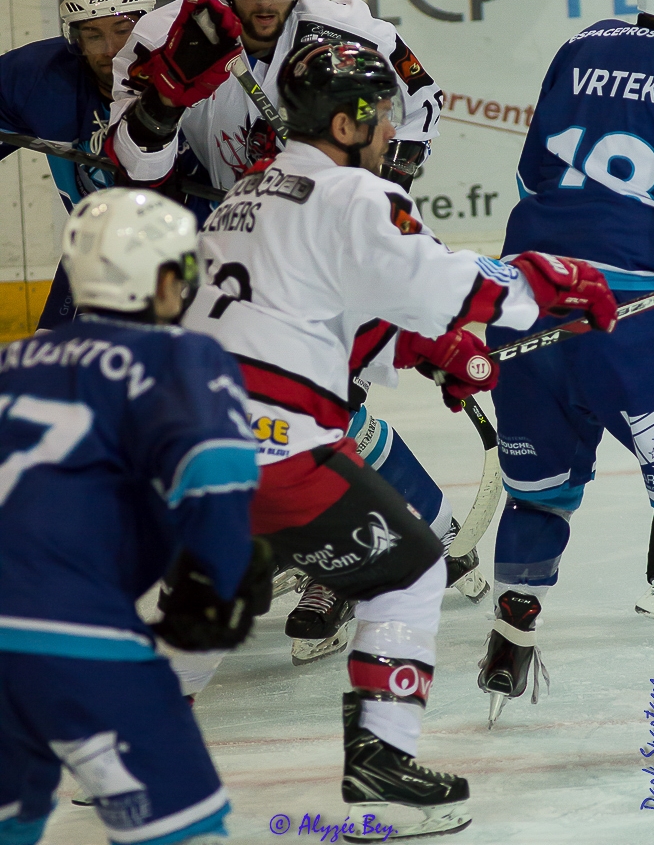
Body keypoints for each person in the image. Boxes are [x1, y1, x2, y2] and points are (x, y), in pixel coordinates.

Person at [180, 41, 615, 839]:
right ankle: (380, 764)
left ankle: (131, 746)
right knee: (412, 568)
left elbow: (331, 319)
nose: (390, 127)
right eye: (381, 112)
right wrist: (553, 287)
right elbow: (446, 283)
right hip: (276, 446)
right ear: (348, 119)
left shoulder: (249, 194)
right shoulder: (351, 195)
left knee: (217, 588)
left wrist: (429, 349)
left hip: (187, 445)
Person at [108, 0, 492, 669]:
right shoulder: (162, 37)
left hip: (316, 230)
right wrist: (161, 102)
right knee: (257, 413)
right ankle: (413, 534)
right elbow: (133, 166)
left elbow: (423, 103)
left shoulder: (353, 33)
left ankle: (336, 566)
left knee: (323, 399)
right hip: (222, 238)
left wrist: (377, 192)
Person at [0, 186, 272, 845]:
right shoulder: (180, 354)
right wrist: (223, 573)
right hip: (71, 633)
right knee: (184, 829)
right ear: (164, 278)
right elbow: (211, 474)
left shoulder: (11, 362)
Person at [479, 0, 654, 729]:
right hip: (629, 317)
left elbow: (530, 172)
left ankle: (508, 629)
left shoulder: (581, 42)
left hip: (523, 299)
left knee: (542, 492)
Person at [0, 0, 157, 329]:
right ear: (75, 40)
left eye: (123, 30)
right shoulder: (38, 79)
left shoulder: (188, 78)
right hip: (96, 256)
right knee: (50, 377)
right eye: (93, 35)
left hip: (189, 258)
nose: (112, 50)